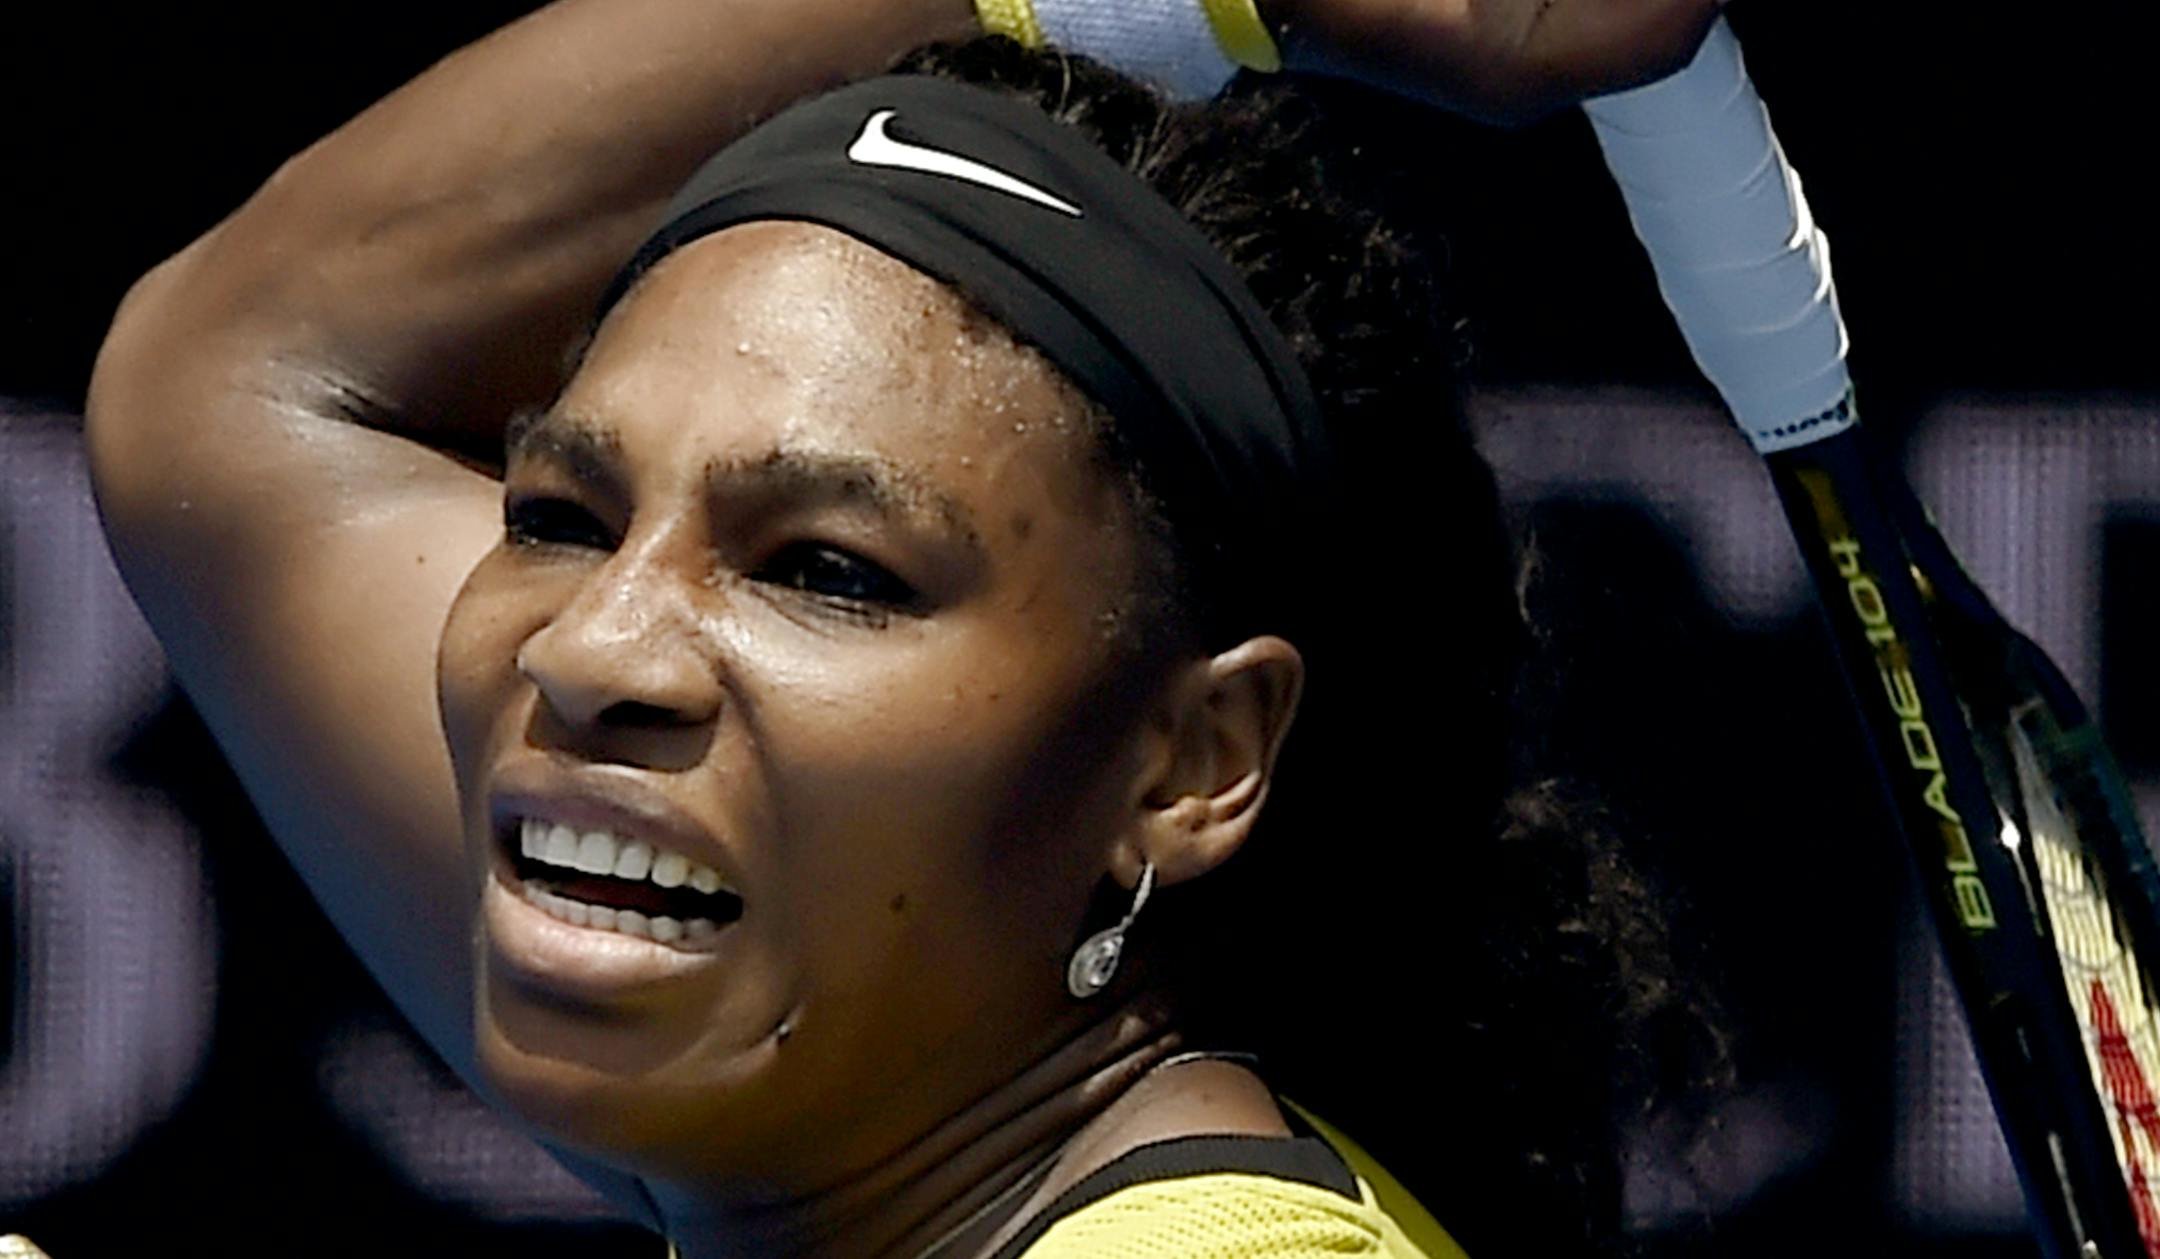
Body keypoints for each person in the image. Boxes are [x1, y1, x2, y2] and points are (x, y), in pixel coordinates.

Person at [85, 0, 1722, 1254]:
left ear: (1189, 761)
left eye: (830, 572)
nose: (590, 651)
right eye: (558, 520)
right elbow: (229, 387)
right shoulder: (853, 1118)